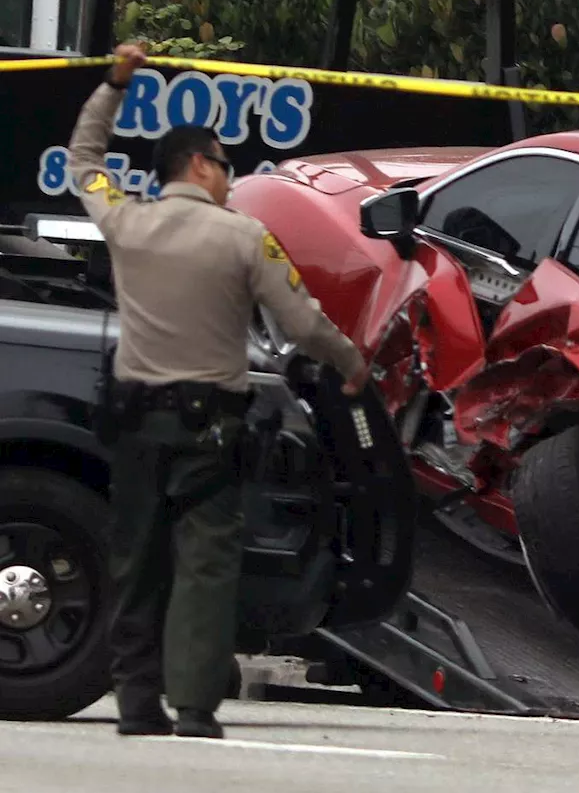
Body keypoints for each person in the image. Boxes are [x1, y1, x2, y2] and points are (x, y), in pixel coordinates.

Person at [68, 43, 371, 739]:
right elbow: (302, 323)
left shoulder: (125, 220)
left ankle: (136, 703)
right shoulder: (245, 238)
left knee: (136, 559)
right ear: (199, 165)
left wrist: (115, 86)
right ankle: (196, 707)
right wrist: (351, 363)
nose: (232, 182)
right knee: (205, 563)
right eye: (226, 168)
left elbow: (84, 158)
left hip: (137, 423)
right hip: (211, 428)